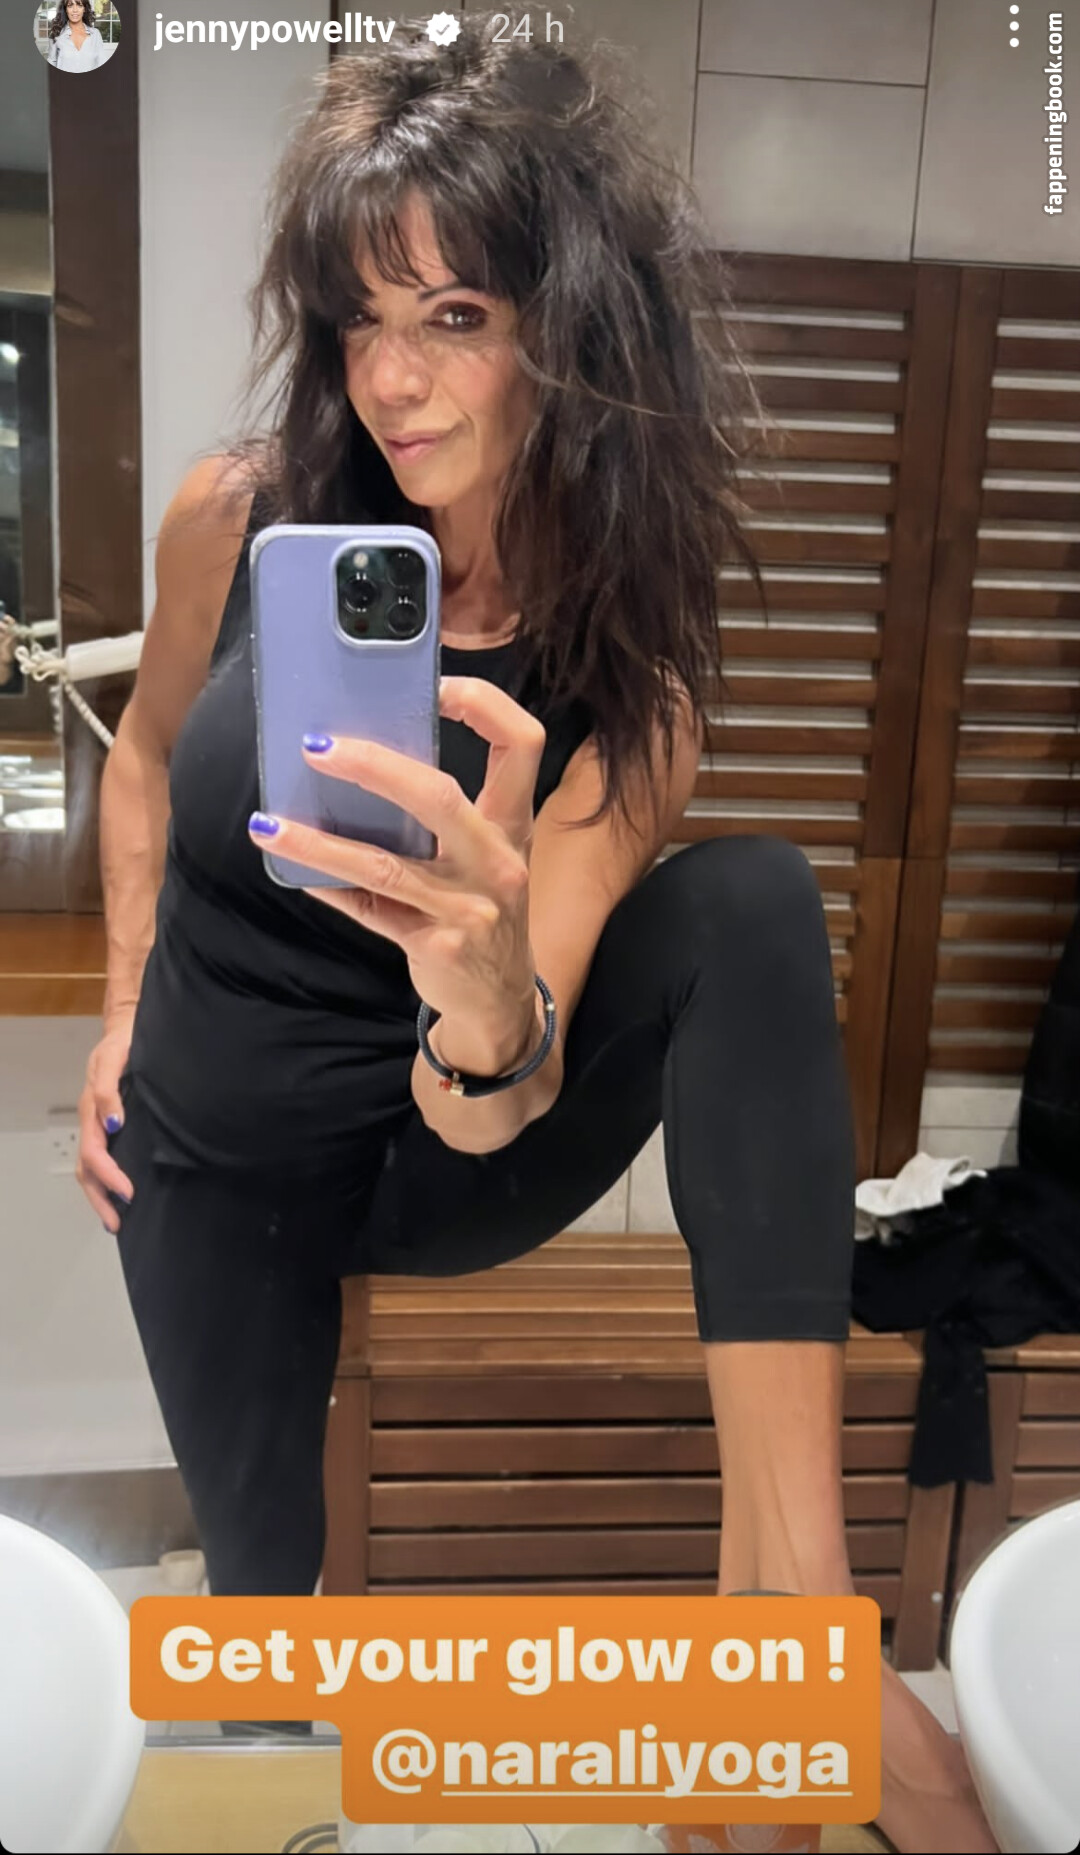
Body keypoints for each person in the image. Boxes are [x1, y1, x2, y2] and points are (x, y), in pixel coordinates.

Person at [76, 14, 997, 1851]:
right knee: (259, 1635)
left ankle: (802, 1635)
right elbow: (151, 759)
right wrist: (115, 1008)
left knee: (751, 897)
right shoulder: (240, 519)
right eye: (360, 318)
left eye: (455, 316)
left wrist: (484, 995)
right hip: (216, 1157)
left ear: (570, 330)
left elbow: (498, 1101)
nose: (393, 379)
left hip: (445, 1141)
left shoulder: (628, 676)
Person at [46, 0, 115, 72]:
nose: (75, 10)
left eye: (79, 5)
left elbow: (101, 61)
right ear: (65, 9)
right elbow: (51, 64)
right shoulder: (56, 34)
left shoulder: (95, 34)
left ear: (84, 9)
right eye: (70, 6)